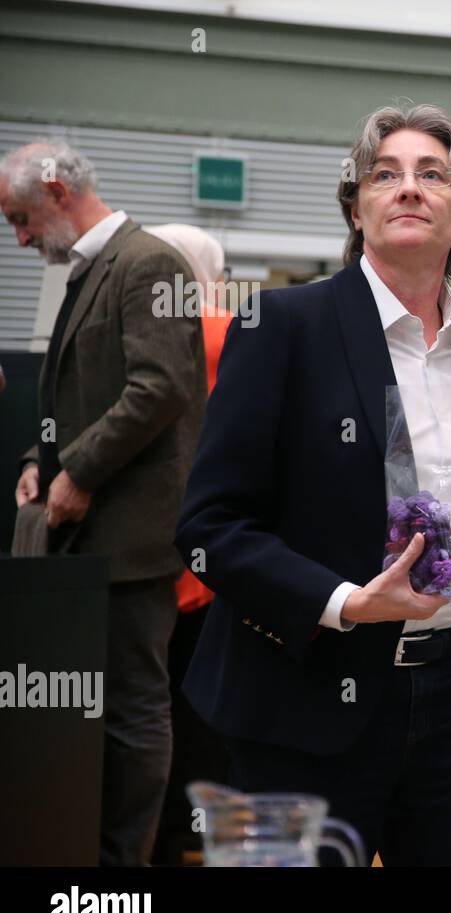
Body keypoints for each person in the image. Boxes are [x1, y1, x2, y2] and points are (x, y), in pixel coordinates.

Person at [175, 102, 451, 866]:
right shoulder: (282, 326)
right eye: (384, 175)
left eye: (431, 174)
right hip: (310, 695)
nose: (408, 188)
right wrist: (346, 603)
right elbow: (210, 529)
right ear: (358, 209)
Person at [1, 140, 207, 866]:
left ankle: (124, 871)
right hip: (86, 543)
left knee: (130, 716)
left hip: (130, 542)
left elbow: (159, 389)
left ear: (56, 190)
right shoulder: (89, 268)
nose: (20, 238)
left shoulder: (147, 262)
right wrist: (39, 462)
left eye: (21, 219)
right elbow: (79, 399)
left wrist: (79, 473)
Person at [141, 223, 234, 865]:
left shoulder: (149, 331)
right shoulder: (230, 330)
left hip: (146, 544)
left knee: (150, 699)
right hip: (219, 544)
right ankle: (197, 824)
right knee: (203, 698)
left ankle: (160, 834)